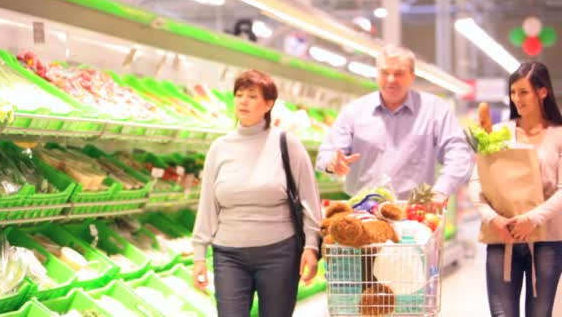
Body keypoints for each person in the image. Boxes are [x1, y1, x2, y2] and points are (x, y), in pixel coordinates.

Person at [191, 69, 322, 317]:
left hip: (279, 254)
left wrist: (311, 246)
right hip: (228, 256)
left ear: (269, 104)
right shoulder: (220, 148)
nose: (243, 101)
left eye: (252, 96)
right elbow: (208, 204)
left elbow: (309, 199)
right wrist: (199, 255)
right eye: (239, 95)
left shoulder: (287, 144)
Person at [315, 44, 473, 202]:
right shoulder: (354, 112)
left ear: (412, 75)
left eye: (399, 73)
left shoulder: (435, 111)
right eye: (384, 73)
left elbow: (458, 153)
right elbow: (326, 154)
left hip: (414, 210)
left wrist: (442, 190)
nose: (391, 80)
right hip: (363, 209)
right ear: (377, 74)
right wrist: (332, 163)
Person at [468, 61, 562, 317]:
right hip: (502, 236)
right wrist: (493, 219)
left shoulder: (559, 136)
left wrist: (532, 219)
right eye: (513, 92)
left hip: (546, 241)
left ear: (543, 92)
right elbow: (477, 183)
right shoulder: (498, 133)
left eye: (523, 92)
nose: (516, 98)